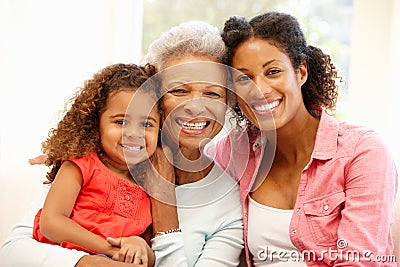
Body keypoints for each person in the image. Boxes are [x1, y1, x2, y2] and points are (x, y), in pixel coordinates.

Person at [0, 21, 244, 267]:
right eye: (179, 91)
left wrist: (165, 210)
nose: (196, 106)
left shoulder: (227, 203)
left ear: (228, 102)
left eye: (213, 94)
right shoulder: (93, 159)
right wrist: (92, 262)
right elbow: (13, 252)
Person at [206, 11, 398, 266]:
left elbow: (359, 262)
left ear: (301, 72)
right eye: (244, 78)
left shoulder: (362, 152)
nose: (259, 90)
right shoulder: (233, 151)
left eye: (272, 72)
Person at [37, 63, 162, 265]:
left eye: (146, 124)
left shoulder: (150, 184)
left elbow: (149, 254)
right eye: (121, 122)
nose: (133, 133)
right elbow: (51, 223)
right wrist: (108, 249)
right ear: (97, 124)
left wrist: (140, 247)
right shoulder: (81, 165)